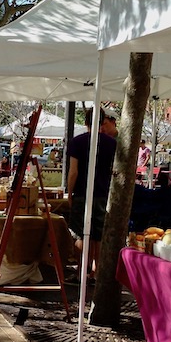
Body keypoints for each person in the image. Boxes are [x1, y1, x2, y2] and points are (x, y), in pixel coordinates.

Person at [66, 107, 116, 281]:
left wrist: (70, 193)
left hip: (82, 194)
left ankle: (82, 272)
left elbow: (73, 172)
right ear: (102, 121)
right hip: (103, 194)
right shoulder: (111, 143)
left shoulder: (77, 142)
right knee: (98, 235)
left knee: (81, 233)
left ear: (85, 122)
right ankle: (97, 271)